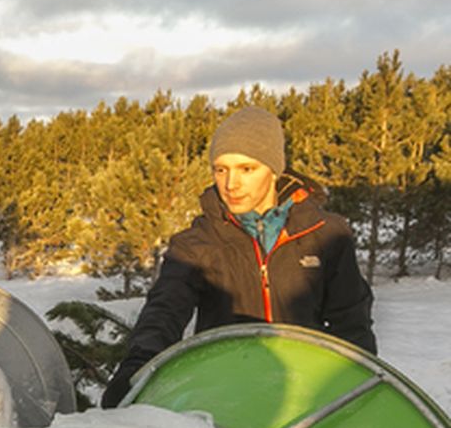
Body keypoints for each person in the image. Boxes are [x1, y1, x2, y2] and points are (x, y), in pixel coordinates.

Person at [102, 105, 376, 406]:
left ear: (273, 170)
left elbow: (351, 323)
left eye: (247, 169)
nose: (231, 184)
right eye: (221, 169)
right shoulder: (197, 244)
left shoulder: (326, 235)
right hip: (226, 395)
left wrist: (358, 387)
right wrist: (137, 369)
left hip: (306, 395)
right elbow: (164, 312)